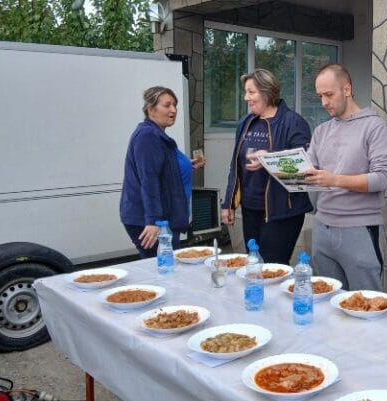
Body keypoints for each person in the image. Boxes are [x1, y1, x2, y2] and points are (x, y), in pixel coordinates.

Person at [304, 64, 387, 291]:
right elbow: (306, 171)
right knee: (328, 302)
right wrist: (271, 162)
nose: (324, 102)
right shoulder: (321, 131)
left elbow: (383, 178)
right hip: (322, 228)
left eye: (329, 94)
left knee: (366, 304)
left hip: (359, 229)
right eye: (320, 96)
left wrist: (335, 180)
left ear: (347, 89)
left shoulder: (374, 127)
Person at [221, 69, 312, 264]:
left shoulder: (294, 123)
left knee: (273, 268)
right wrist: (228, 203)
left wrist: (269, 159)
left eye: (251, 92)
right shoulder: (246, 123)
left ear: (267, 91)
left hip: (283, 212)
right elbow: (235, 165)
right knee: (254, 264)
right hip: (250, 209)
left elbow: (304, 171)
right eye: (246, 92)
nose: (246, 98)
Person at [120, 86, 205, 258]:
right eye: (167, 105)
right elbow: (149, 180)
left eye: (175, 105)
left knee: (165, 270)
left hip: (164, 220)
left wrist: (187, 166)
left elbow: (162, 170)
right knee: (163, 271)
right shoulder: (148, 136)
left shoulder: (157, 135)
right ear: (151, 109)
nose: (173, 110)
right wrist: (153, 221)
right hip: (153, 222)